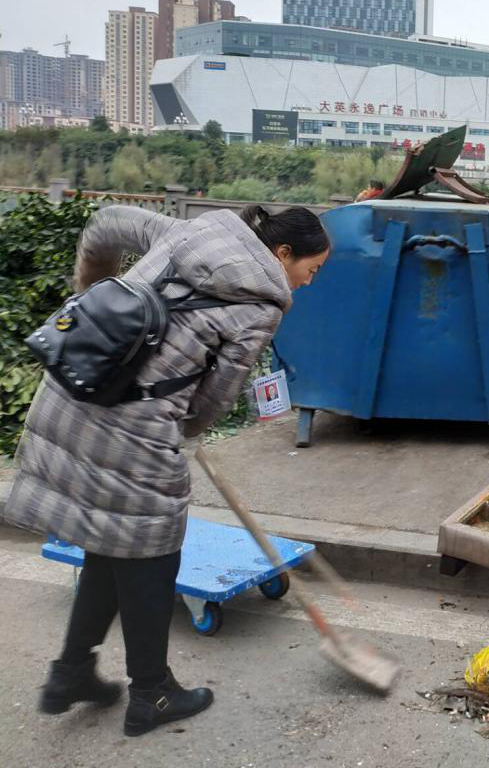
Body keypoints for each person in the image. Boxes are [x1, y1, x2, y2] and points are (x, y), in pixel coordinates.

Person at [5, 203, 330, 737]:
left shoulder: (198, 230)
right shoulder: (264, 303)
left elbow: (106, 224)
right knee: (154, 552)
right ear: (283, 253)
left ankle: (71, 674)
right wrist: (185, 428)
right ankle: (152, 693)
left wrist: (95, 305)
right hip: (134, 426)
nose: (307, 282)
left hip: (71, 386)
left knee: (113, 540)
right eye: (310, 269)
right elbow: (217, 397)